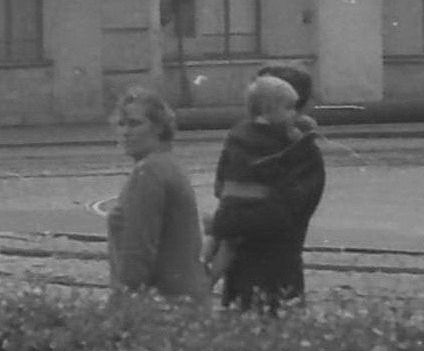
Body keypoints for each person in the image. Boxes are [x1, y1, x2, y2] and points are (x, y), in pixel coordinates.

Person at [206, 71, 327, 311]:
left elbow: (222, 187)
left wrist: (229, 219)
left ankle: (202, 281)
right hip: (278, 268)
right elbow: (291, 209)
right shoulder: (302, 151)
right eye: (288, 107)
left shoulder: (240, 139)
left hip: (253, 265)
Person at [105, 86, 209, 304]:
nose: (125, 132)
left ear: (159, 127)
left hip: (161, 302)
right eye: (121, 124)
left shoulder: (149, 173)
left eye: (135, 124)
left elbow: (137, 250)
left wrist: (122, 301)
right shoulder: (168, 165)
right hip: (184, 297)